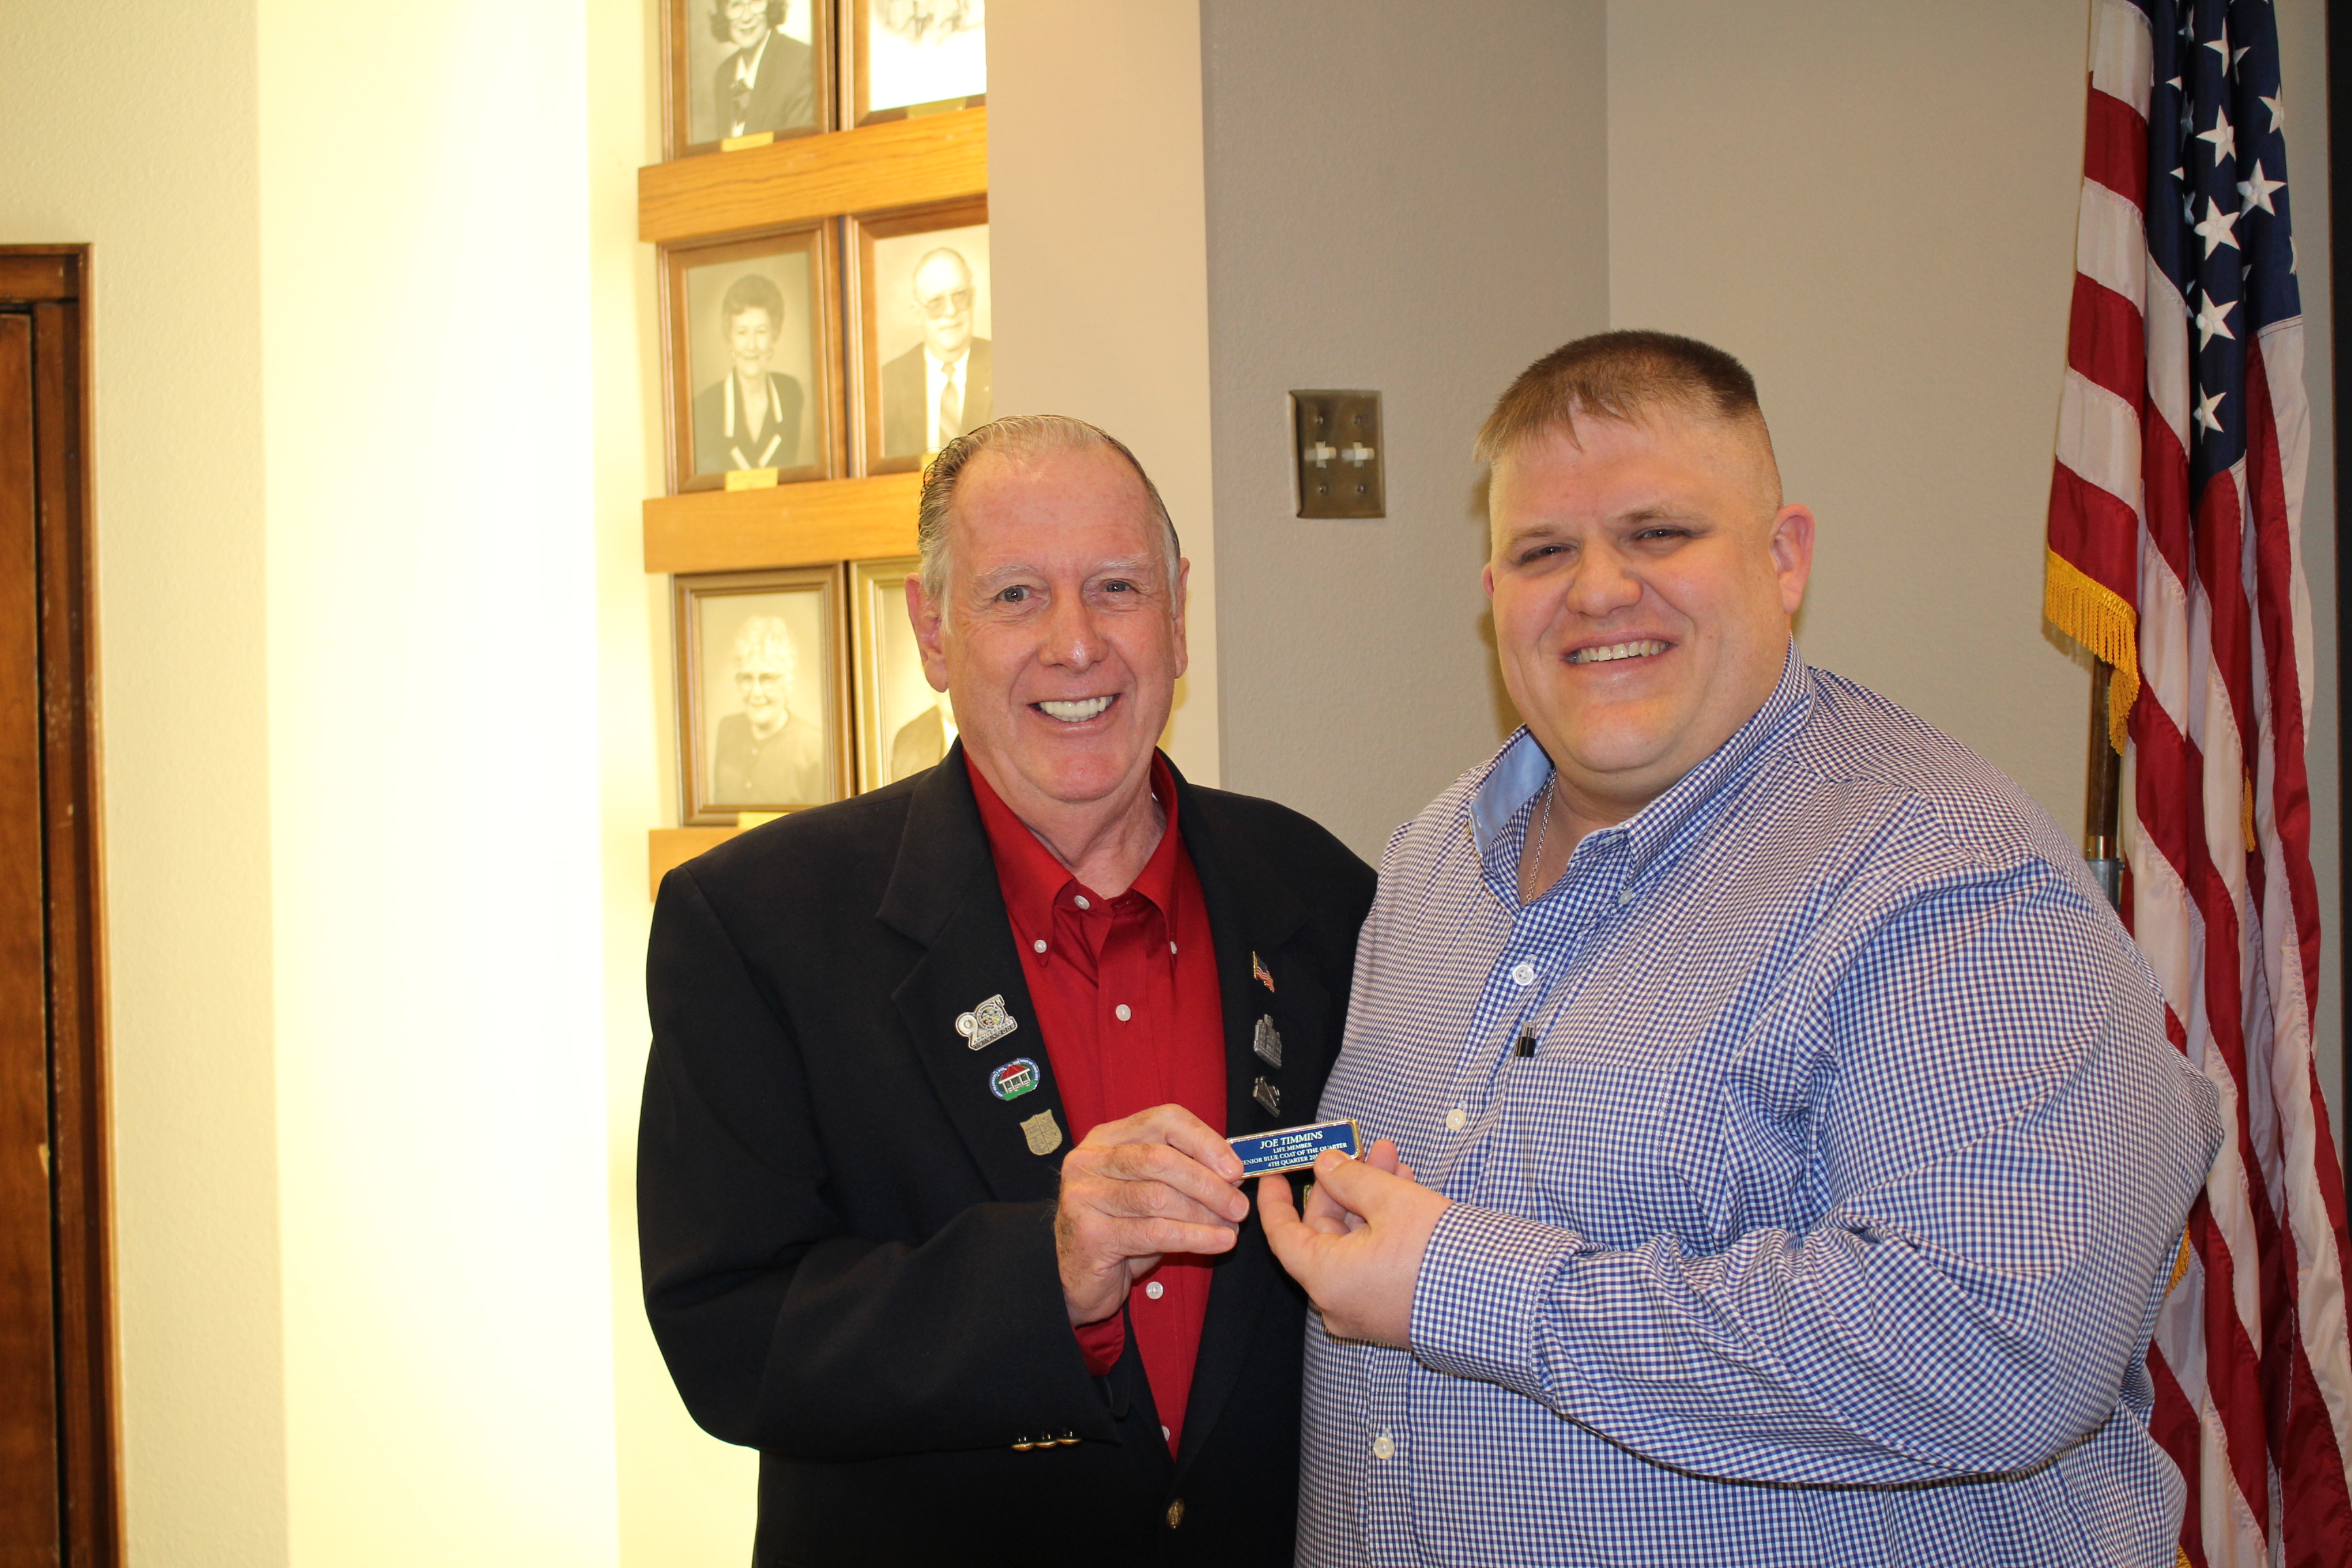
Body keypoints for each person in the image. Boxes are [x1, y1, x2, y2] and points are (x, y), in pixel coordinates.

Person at [1259, 331, 2224, 1567]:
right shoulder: (1434, 855)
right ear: (1491, 589)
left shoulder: (1948, 876)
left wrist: (1465, 1281)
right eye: (1543, 549)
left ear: (1785, 558)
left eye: (1659, 533)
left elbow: (1999, 1340)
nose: (1600, 589)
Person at [639, 413, 1376, 1565]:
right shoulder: (758, 924)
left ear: (1178, 611)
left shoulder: (1325, 894)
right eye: (1016, 594)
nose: (1075, 643)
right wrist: (1046, 1274)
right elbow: (729, 1337)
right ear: (932, 631)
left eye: (1118, 586)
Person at [880, 247, 992, 459]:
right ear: (917, 312)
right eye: (936, 302)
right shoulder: (887, 382)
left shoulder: (1003, 366)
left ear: (974, 297)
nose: (950, 311)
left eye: (959, 296)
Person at [692, 272, 804, 477]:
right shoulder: (705, 406)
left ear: (774, 335)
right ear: (730, 338)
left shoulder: (790, 395)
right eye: (742, 332)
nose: (751, 346)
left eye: (761, 332)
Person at [710, 613, 822, 805]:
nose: (756, 693)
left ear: (787, 682)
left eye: (767, 679)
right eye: (747, 678)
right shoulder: (727, 729)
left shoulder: (813, 744)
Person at [707, 0, 814, 142]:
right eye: (736, 5)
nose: (746, 17)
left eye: (755, 2)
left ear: (771, 5)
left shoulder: (801, 60)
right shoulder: (724, 74)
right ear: (724, 14)